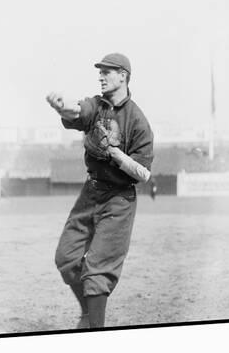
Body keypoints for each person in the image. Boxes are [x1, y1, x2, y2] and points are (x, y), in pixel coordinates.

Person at [46, 53, 154, 329]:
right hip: (91, 192)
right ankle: (87, 314)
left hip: (119, 199)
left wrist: (115, 154)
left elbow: (143, 173)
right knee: (66, 257)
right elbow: (77, 111)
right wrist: (62, 108)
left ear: (123, 76)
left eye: (108, 71)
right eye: (101, 71)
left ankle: (95, 330)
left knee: (97, 273)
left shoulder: (138, 121)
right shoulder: (98, 105)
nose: (102, 75)